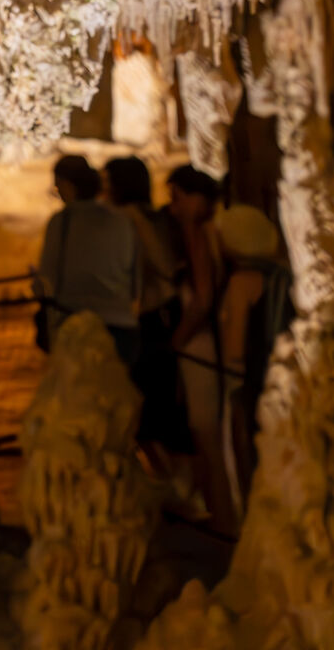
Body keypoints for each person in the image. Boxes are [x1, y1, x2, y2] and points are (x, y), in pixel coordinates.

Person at [105, 154, 187, 456]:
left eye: (107, 184)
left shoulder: (133, 217)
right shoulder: (146, 215)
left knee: (151, 416)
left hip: (157, 317)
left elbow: (163, 264)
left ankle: (173, 486)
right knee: (154, 415)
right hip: (154, 316)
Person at [166, 164, 232, 532]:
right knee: (204, 432)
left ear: (197, 199)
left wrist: (178, 339)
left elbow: (203, 297)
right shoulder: (208, 231)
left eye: (177, 198)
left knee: (206, 431)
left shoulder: (199, 233)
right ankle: (218, 515)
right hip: (203, 343)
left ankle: (223, 519)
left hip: (200, 344)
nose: (173, 208)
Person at [213, 201, 288, 516]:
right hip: (278, 376)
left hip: (249, 379)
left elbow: (234, 342)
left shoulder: (241, 281)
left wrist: (229, 376)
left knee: (247, 452)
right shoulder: (281, 274)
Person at [33, 154, 141, 366]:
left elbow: (47, 282)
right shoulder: (123, 222)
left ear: (67, 185)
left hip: (77, 327)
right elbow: (136, 284)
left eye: (56, 189)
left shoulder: (61, 222)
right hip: (122, 328)